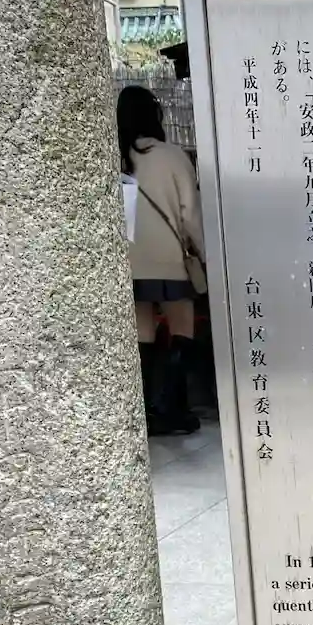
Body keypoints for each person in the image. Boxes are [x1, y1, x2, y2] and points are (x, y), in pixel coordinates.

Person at [117, 84, 206, 435]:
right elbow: (190, 215)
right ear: (155, 115)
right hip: (170, 261)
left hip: (130, 263)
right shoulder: (173, 156)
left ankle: (143, 414)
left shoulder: (116, 156)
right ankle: (169, 408)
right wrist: (205, 255)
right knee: (182, 328)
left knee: (142, 335)